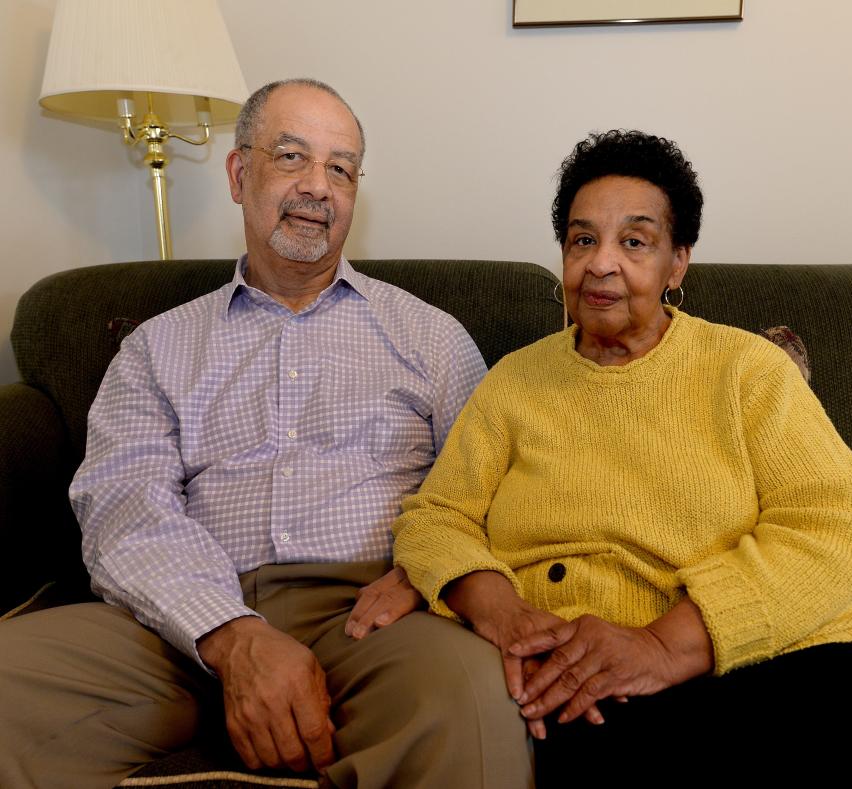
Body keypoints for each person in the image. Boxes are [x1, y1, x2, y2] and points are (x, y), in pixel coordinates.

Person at [0, 79, 533, 789]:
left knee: (471, 699)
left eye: (340, 169)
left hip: (370, 617)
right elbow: (123, 505)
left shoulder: (431, 339)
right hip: (176, 622)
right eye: (292, 157)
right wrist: (230, 632)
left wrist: (424, 572)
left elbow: (490, 492)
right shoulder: (158, 347)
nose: (318, 187)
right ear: (237, 172)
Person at [392, 130, 852, 783]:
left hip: (788, 660)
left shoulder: (748, 370)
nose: (602, 263)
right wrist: (506, 613)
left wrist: (666, 643)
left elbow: (842, 530)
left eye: (634, 241)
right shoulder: (513, 385)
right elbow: (436, 516)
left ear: (677, 263)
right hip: (595, 685)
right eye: (582, 239)